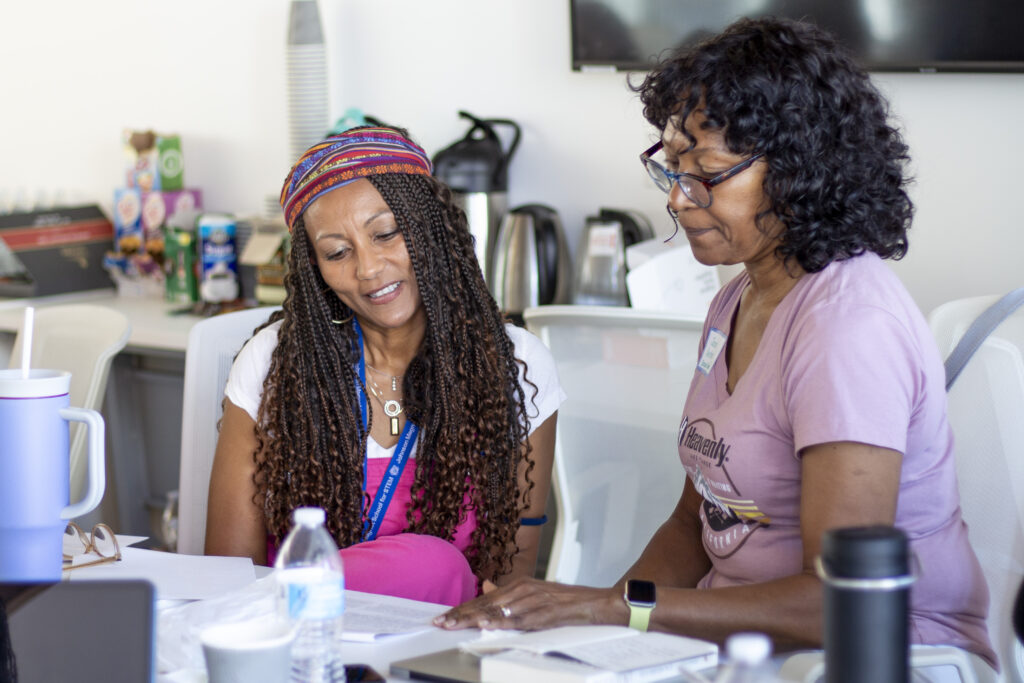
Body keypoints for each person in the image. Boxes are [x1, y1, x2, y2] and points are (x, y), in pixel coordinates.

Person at [437, 16, 997, 671]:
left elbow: (839, 602)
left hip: (877, 656)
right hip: (743, 647)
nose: (678, 199)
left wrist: (620, 609)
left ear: (797, 168)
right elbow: (692, 525)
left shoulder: (848, 327)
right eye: (671, 169)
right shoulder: (735, 298)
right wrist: (586, 622)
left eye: (705, 173)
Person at [205, 125, 565, 606]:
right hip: (301, 643)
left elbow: (507, 587)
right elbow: (231, 580)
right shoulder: (273, 364)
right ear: (315, 268)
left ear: (428, 229)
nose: (369, 268)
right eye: (337, 252)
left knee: (433, 567)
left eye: (386, 233)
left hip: (441, 649)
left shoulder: (517, 367)